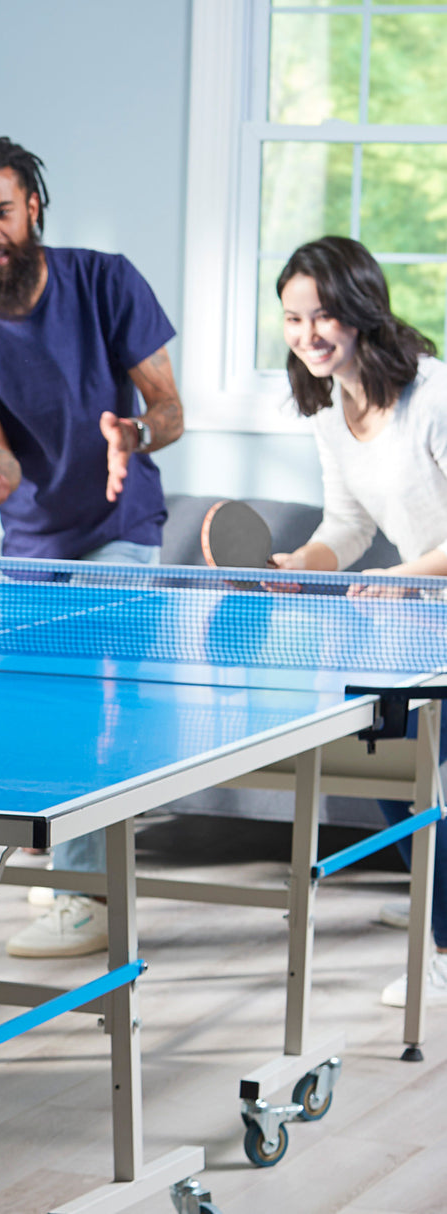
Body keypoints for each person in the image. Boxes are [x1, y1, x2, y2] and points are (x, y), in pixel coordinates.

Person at [0, 136, 184, 959]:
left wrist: (132, 432)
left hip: (120, 526)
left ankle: (81, 895)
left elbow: (171, 410)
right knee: (32, 700)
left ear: (32, 206)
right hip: (32, 543)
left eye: (0, 210)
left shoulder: (106, 280)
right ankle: (74, 869)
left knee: (77, 684)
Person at [271, 234, 447, 1008]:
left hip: (428, 599)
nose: (308, 334)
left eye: (323, 315)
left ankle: (441, 947)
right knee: (381, 754)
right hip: (422, 617)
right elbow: (344, 524)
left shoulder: (434, 396)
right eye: (291, 318)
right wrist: (298, 565)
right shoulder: (331, 410)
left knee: (439, 778)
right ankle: (439, 908)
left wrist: (404, 577)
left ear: (360, 312)